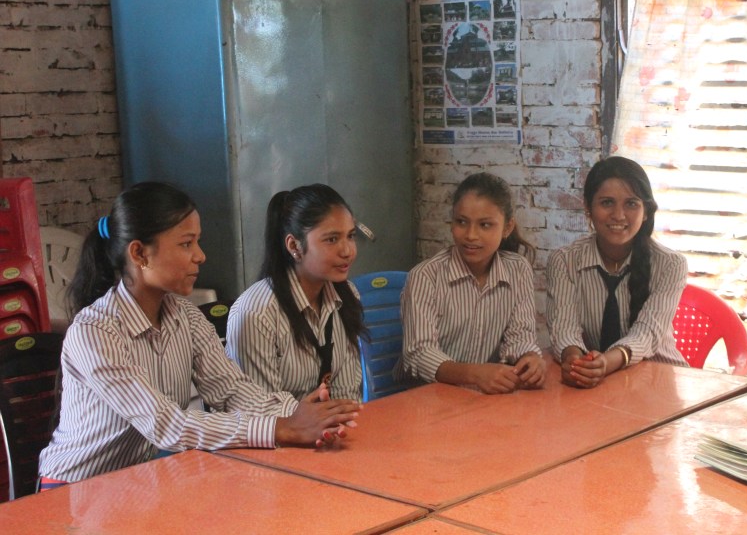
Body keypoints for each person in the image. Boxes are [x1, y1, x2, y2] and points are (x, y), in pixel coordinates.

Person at [38, 182, 360, 489]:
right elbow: (167, 426)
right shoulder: (95, 331)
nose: (200, 256)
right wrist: (280, 428)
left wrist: (298, 414)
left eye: (197, 242)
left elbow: (232, 391)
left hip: (134, 483)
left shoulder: (185, 316)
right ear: (139, 254)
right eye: (186, 243)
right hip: (73, 491)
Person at [396, 172, 545, 394]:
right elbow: (419, 354)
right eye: (461, 222)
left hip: (481, 399)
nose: (471, 235)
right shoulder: (425, 276)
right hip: (426, 399)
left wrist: (530, 357)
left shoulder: (517, 269)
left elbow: (520, 335)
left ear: (507, 228)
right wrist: (475, 374)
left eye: (485, 225)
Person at [547, 156, 688, 389]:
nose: (619, 215)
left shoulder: (671, 264)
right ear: (588, 208)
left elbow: (646, 334)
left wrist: (606, 362)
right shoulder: (564, 261)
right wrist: (574, 362)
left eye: (631, 203)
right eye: (606, 203)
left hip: (659, 384)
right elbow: (564, 329)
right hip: (597, 385)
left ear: (646, 212)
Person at [226, 184, 365, 402]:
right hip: (273, 433)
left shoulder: (347, 296)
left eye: (350, 236)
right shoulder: (256, 313)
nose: (347, 251)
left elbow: (347, 396)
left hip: (325, 431)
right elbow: (261, 412)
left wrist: (338, 424)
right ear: (294, 246)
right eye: (331, 239)